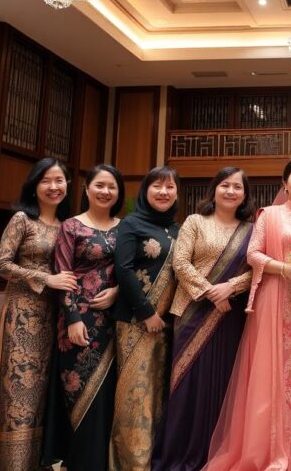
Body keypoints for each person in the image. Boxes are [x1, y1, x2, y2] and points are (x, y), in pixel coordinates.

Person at [203, 156, 291, 471]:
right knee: (273, 372)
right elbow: (254, 254)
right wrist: (286, 268)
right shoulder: (269, 215)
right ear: (284, 183)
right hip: (275, 299)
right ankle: (271, 444)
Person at [0, 158, 78, 471]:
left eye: (59, 180)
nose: (54, 187)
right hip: (21, 316)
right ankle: (11, 464)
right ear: (34, 186)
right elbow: (1, 265)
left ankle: (38, 461)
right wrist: (44, 278)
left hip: (55, 316)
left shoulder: (69, 225)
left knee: (45, 390)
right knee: (18, 389)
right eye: (47, 181)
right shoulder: (22, 220)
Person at [156, 167, 256, 471]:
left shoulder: (250, 230)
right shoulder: (195, 222)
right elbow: (180, 262)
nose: (230, 191)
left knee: (224, 385)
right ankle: (180, 453)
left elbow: (256, 269)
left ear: (244, 195)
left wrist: (232, 287)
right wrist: (211, 291)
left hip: (231, 316)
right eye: (224, 185)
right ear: (214, 189)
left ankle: (217, 454)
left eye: (237, 187)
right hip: (192, 313)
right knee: (188, 385)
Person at [43, 165, 124, 470]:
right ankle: (76, 460)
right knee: (77, 388)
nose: (105, 192)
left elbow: (127, 273)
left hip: (112, 320)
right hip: (77, 319)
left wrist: (116, 291)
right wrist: (73, 318)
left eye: (111, 187)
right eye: (100, 185)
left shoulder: (123, 228)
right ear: (87, 189)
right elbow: (62, 275)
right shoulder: (71, 226)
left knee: (106, 391)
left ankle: (99, 459)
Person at [110, 166, 182, 471]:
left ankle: (152, 458)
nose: (163, 192)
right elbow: (123, 270)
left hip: (167, 324)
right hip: (136, 322)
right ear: (145, 190)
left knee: (157, 393)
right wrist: (147, 313)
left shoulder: (178, 229)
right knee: (135, 393)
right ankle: (131, 463)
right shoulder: (131, 224)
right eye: (157, 186)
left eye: (169, 187)